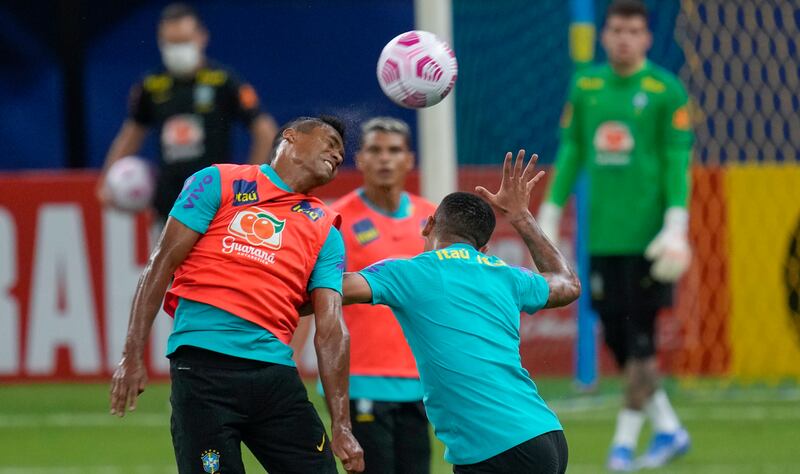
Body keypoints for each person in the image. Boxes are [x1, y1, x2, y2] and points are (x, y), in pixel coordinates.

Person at [109, 116, 364, 474]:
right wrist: (131, 354)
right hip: (203, 373)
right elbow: (160, 264)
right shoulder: (218, 181)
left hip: (274, 375)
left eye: (342, 152)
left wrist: (342, 426)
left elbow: (332, 327)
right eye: (330, 142)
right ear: (290, 137)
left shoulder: (326, 228)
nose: (338, 155)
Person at [335, 151, 580, 473]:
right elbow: (568, 283)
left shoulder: (407, 273)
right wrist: (520, 216)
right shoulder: (505, 274)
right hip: (545, 434)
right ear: (484, 249)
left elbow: (330, 291)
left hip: (496, 450)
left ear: (429, 225)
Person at [537, 0, 693, 470]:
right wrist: (549, 209)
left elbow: (675, 161)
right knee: (618, 341)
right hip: (601, 239)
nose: (624, 38)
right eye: (617, 30)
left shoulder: (665, 91)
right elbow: (571, 150)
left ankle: (622, 446)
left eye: (633, 31)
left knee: (640, 340)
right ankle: (668, 429)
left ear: (647, 38)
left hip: (649, 241)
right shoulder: (586, 87)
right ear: (605, 37)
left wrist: (676, 224)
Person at [97, 2, 278, 223]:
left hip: (216, 205)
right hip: (169, 207)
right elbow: (131, 134)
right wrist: (108, 179)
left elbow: (265, 130)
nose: (177, 50)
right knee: (165, 257)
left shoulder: (223, 81)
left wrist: (252, 183)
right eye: (170, 43)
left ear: (201, 37)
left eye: (183, 42)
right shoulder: (151, 86)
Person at [332, 117, 436, 473]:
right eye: (375, 150)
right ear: (359, 159)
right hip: (359, 377)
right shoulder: (336, 219)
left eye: (394, 151)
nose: (385, 160)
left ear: (409, 160)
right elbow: (317, 296)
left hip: (419, 380)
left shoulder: (432, 219)